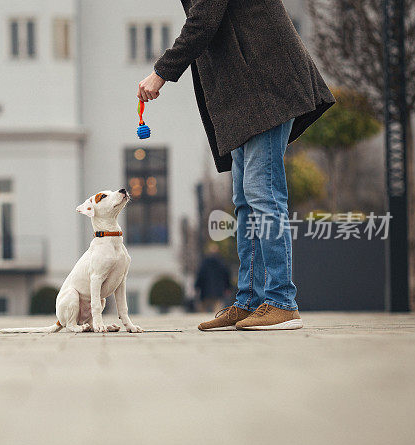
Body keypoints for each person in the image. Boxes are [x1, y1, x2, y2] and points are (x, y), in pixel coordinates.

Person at [138, 0, 335, 330]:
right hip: (246, 95)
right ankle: (250, 301)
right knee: (246, 202)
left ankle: (282, 301)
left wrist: (161, 73)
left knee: (263, 195)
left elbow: (202, 24)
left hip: (267, 87)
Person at [194, 243, 231, 313]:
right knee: (217, 312)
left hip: (205, 291)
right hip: (219, 291)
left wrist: (197, 286)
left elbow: (200, 276)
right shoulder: (222, 263)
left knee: (202, 312)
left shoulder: (204, 263)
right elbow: (227, 276)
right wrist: (228, 287)